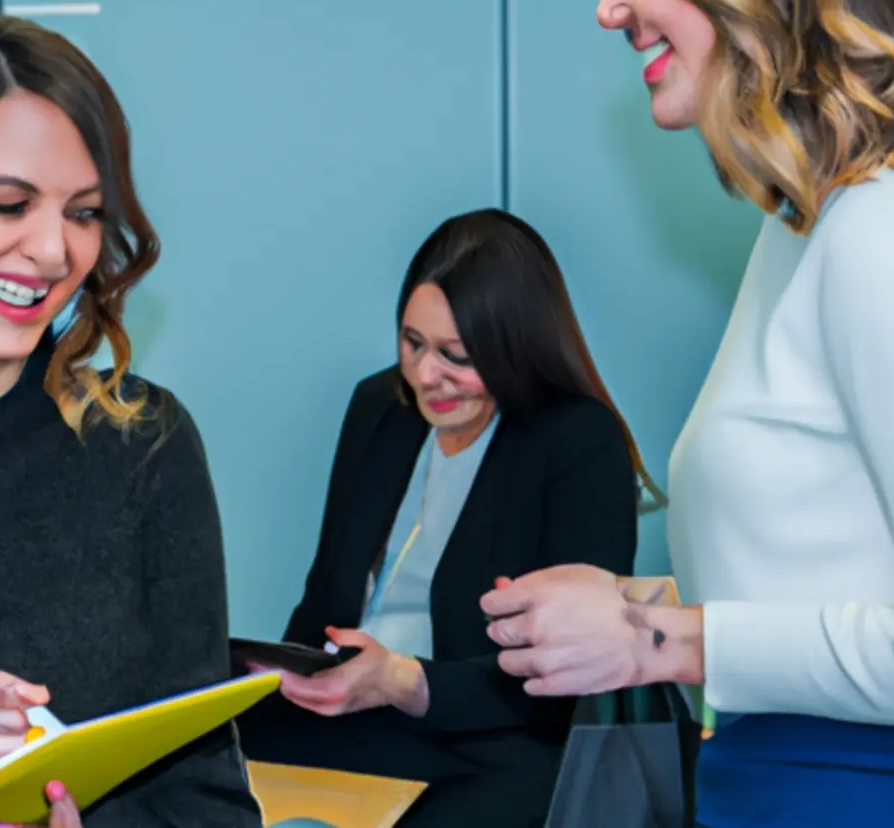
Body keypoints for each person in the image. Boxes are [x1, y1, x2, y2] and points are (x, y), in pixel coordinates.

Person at [480, 0, 894, 828]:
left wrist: (663, 640)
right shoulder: (808, 228)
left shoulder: (887, 232)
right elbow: (838, 578)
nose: (608, 5)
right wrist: (640, 605)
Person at [0, 13, 262, 827]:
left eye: (85, 213)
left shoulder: (141, 446)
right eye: (7, 204)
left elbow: (207, 804)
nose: (53, 252)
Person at [238, 209, 643, 828]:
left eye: (456, 355)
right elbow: (324, 600)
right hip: (355, 715)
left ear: (516, 348)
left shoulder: (579, 441)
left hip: (495, 741)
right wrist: (286, 668)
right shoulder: (381, 407)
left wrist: (402, 682)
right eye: (413, 343)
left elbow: (566, 681)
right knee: (182, 765)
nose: (428, 376)